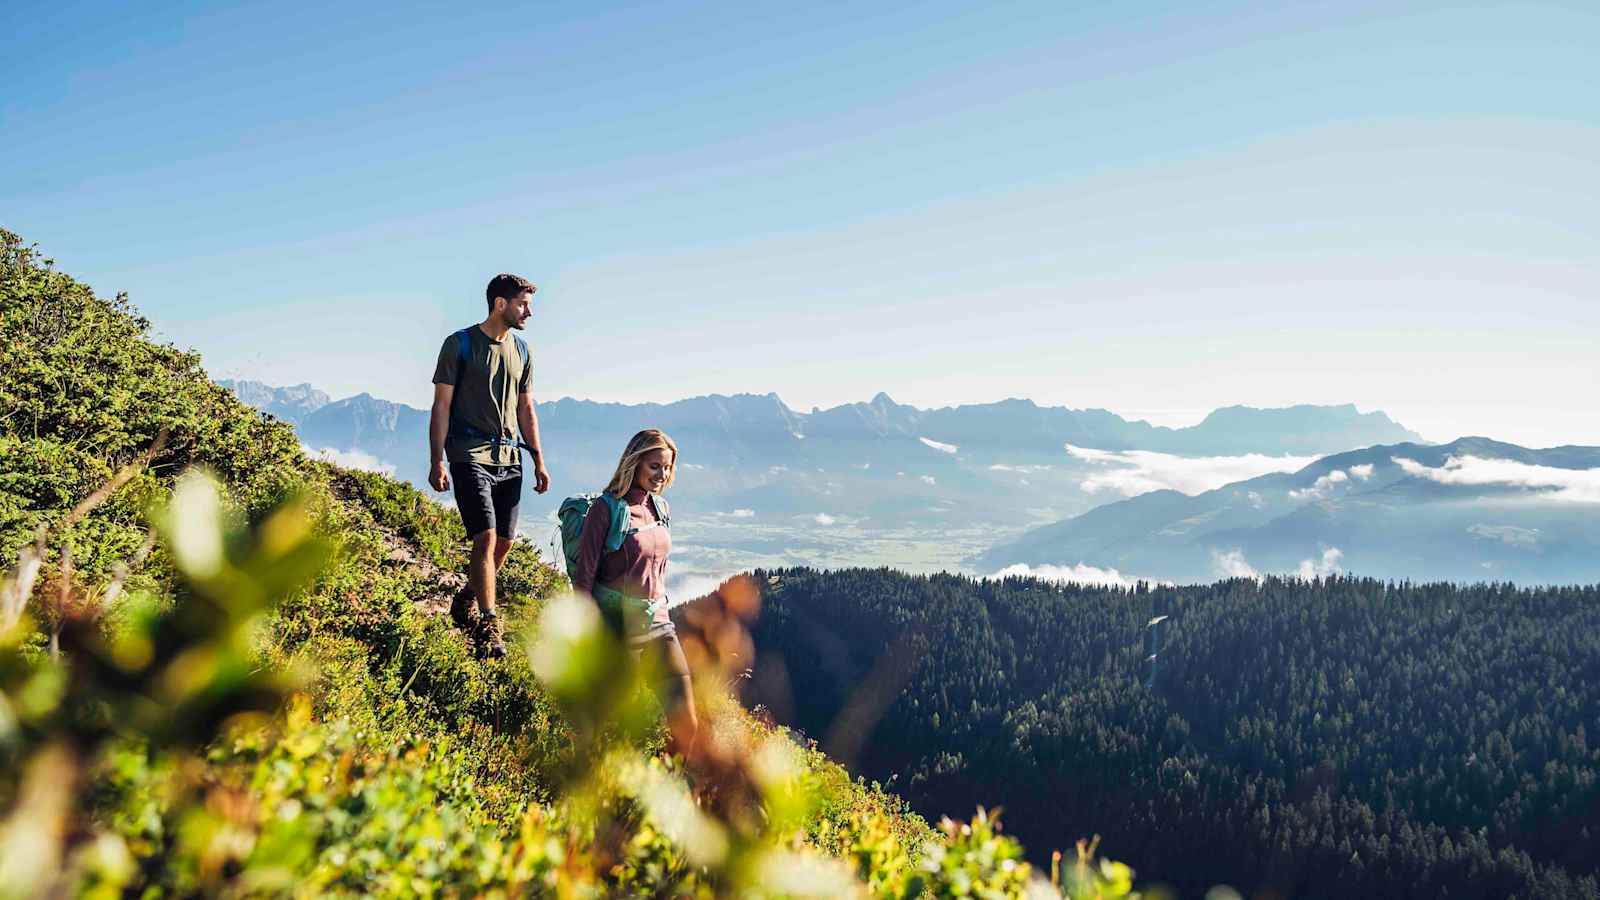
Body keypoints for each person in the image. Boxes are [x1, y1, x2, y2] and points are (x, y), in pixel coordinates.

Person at [428, 273, 551, 658]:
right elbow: (441, 405)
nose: (528, 312)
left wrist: (538, 459)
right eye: (522, 304)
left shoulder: (523, 351)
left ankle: (466, 596)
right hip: (468, 455)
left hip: (510, 458)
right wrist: (437, 460)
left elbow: (526, 408)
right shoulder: (459, 345)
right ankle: (489, 623)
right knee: (485, 538)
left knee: (505, 543)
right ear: (501, 304)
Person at [571, 428, 697, 750]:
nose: (662, 474)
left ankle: (667, 791)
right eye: (655, 466)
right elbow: (584, 577)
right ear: (635, 463)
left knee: (686, 724)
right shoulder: (606, 509)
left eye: (667, 467)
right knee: (610, 726)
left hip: (658, 623)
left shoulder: (661, 509)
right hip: (616, 627)